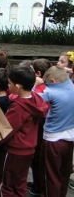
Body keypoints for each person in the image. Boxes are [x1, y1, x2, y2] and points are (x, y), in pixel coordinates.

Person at [0, 66, 49, 197]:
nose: (8, 86)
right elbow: (16, 96)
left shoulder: (18, 108)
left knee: (5, 185)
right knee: (20, 184)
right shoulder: (35, 100)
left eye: (9, 83)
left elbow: (6, 131)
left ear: (18, 86)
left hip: (14, 151)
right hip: (28, 150)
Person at [38, 66, 74, 197]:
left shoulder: (51, 93)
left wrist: (35, 85)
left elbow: (29, 98)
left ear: (53, 82)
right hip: (69, 139)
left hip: (53, 140)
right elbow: (62, 74)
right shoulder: (71, 85)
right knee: (64, 174)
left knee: (50, 177)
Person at [27, 58, 51, 196]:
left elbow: (35, 103)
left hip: (40, 128)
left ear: (37, 74)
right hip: (40, 128)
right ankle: (37, 183)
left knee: (38, 159)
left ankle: (39, 187)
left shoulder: (41, 88)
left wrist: (33, 87)